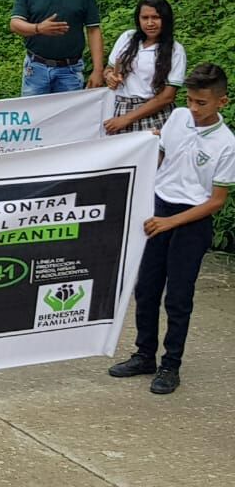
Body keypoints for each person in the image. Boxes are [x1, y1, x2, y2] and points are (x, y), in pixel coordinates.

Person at [108, 63, 234, 396]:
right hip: (158, 210)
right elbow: (161, 157)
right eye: (190, 100)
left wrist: (171, 222)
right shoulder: (177, 117)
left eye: (201, 103)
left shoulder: (227, 144)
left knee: (178, 297)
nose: (194, 108)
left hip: (190, 222)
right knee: (146, 289)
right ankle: (144, 355)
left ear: (222, 102)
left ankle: (170, 365)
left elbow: (216, 201)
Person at [104, 0, 186, 134]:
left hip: (153, 114)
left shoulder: (175, 50)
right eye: (145, 18)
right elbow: (109, 68)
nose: (150, 23)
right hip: (120, 108)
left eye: (156, 17)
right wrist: (109, 76)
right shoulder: (128, 38)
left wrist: (126, 119)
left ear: (165, 19)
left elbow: (167, 96)